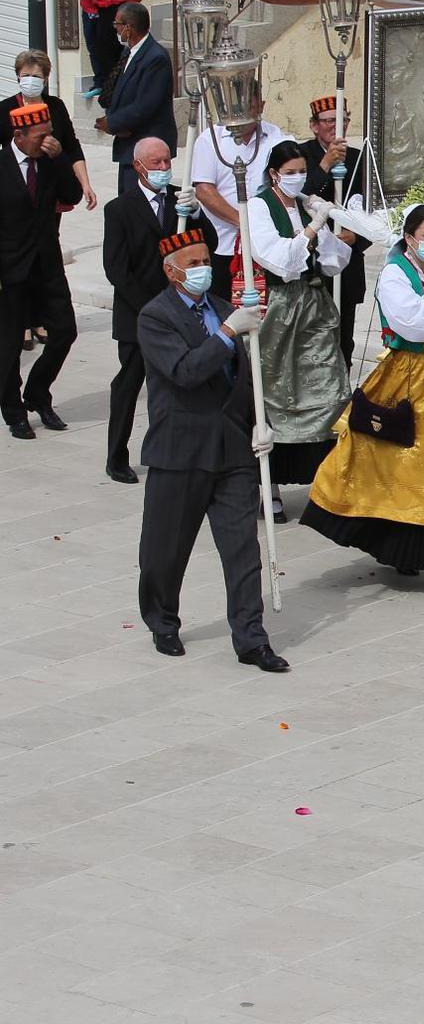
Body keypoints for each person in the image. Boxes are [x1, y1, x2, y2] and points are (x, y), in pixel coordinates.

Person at [301, 204, 424, 594]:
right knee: (410, 461)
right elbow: (416, 325)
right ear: (409, 238)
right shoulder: (394, 274)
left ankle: (405, 548)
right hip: (410, 374)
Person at [136, 228, 287, 672]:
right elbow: (185, 371)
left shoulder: (225, 309)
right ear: (172, 271)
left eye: (207, 260)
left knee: (243, 550)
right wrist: (225, 333)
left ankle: (251, 638)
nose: (204, 269)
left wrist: (263, 423)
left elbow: (249, 380)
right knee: (165, 550)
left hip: (232, 451)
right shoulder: (156, 317)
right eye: (195, 263)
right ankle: (162, 620)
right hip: (179, 451)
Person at [247, 140, 354, 521]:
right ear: (275, 174)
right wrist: (310, 230)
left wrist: (325, 229)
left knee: (330, 389)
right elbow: (276, 258)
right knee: (276, 393)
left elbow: (334, 262)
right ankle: (270, 487)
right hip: (280, 308)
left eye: (301, 171)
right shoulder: (261, 205)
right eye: (289, 172)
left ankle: (325, 482)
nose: (297, 178)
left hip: (314, 306)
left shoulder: (307, 203)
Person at [102, 136, 210, 483]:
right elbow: (116, 269)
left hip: (178, 310)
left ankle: (174, 451)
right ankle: (117, 455)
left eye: (167, 161)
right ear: (138, 167)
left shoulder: (180, 201)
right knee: (130, 383)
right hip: (138, 313)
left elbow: (209, 245)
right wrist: (151, 309)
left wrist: (196, 214)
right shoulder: (119, 209)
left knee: (178, 384)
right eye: (156, 163)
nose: (164, 169)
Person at [0, 104, 83, 439]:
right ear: (18, 136)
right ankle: (13, 410)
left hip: (47, 265)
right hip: (11, 271)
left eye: (50, 132)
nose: (47, 140)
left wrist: (60, 158)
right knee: (8, 347)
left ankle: (37, 393)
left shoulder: (50, 161)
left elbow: (72, 194)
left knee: (65, 331)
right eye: (41, 136)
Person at [299, 95, 370, 368]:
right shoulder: (301, 154)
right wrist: (325, 164)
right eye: (328, 121)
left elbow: (373, 210)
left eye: (341, 120)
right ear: (315, 126)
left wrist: (357, 238)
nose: (334, 126)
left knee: (343, 340)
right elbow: (298, 195)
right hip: (312, 261)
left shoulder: (359, 158)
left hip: (347, 263)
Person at [191, 99, 287, 293]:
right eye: (235, 107)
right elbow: (204, 190)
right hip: (224, 245)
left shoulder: (275, 135)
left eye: (247, 107)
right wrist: (243, 222)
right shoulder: (211, 138)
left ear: (260, 106)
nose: (239, 114)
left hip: (267, 245)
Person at [95, 3, 178, 197]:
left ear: (129, 27)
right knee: (127, 203)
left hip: (147, 144)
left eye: (117, 23)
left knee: (141, 205)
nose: (115, 28)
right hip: (129, 144)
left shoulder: (155, 58)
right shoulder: (130, 51)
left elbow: (146, 105)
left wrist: (113, 123)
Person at [3, 50, 98, 211]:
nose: (30, 80)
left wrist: (85, 184)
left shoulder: (56, 107)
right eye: (25, 75)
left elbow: (72, 147)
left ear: (45, 79)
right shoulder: (5, 109)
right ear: (18, 76)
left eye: (36, 76)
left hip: (51, 185)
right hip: (17, 187)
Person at [82, 0, 141, 105]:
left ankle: (119, 91)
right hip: (104, 0)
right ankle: (111, 89)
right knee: (102, 47)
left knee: (114, 48)